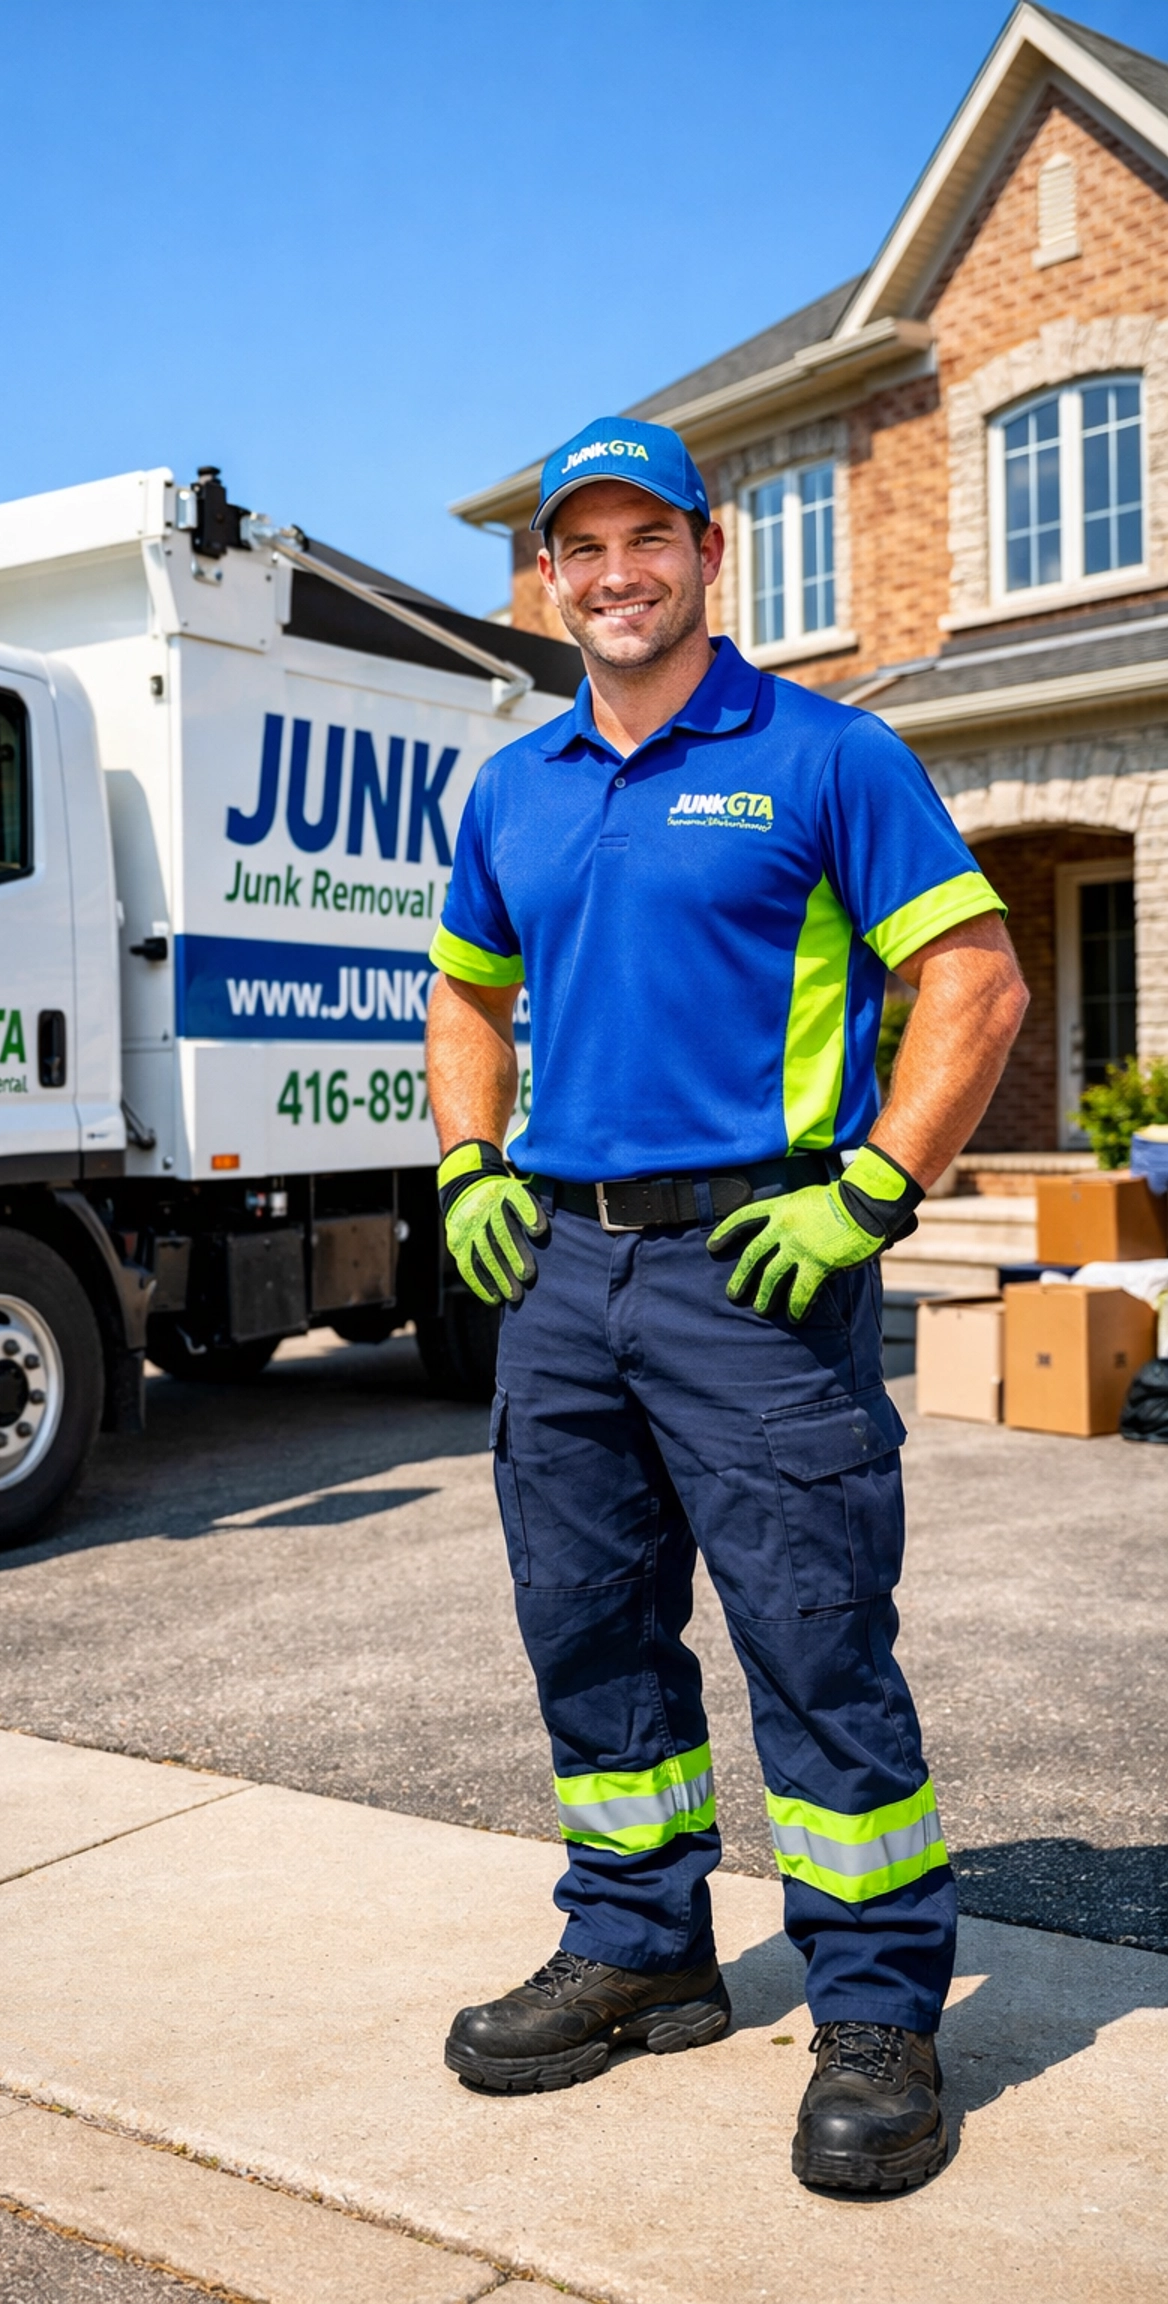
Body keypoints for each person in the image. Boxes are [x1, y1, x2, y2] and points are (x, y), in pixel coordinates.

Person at [424, 415, 1028, 2195]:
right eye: (579, 549)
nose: (615, 575)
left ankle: (877, 2012)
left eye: (646, 541)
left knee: (815, 1643)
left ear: (708, 551)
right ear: (549, 579)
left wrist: (874, 1191)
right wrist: (468, 1164)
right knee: (587, 1629)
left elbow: (974, 983)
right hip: (559, 1269)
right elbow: (465, 997)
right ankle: (639, 1950)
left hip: (757, 1271)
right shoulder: (518, 785)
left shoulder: (827, 753)